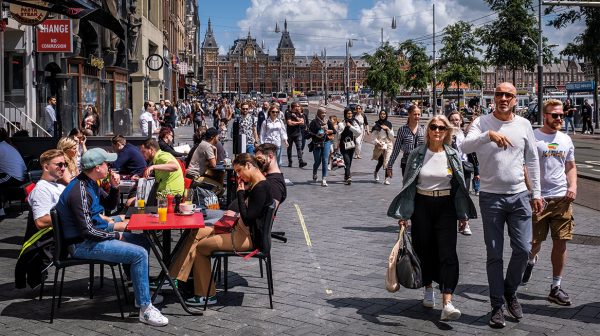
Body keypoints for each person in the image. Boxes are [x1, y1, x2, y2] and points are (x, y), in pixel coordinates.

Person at [461, 82, 543, 329]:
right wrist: (488, 136)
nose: (503, 98)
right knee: (494, 254)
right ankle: (497, 306)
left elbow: (532, 159)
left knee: (523, 248)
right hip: (490, 197)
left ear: (516, 100)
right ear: (493, 97)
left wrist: (536, 192)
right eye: (499, 94)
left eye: (509, 94)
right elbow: (464, 146)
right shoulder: (482, 123)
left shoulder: (524, 125)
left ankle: (510, 291)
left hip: (519, 196)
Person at [55, 148, 168, 326]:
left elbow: (108, 204)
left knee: (143, 241)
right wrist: (116, 234)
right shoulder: (79, 190)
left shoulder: (90, 182)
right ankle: (145, 310)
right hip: (82, 244)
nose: (110, 166)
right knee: (139, 253)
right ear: (97, 167)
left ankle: (140, 295)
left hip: (92, 235)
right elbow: (88, 231)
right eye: (107, 163)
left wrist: (115, 187)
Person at [388, 115, 476, 321]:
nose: (437, 131)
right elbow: (408, 185)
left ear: (447, 132)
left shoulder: (453, 155)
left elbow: (460, 187)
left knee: (448, 253)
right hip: (422, 205)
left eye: (442, 128)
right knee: (424, 249)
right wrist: (404, 214)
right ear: (428, 130)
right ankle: (428, 289)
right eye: (434, 127)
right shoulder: (417, 154)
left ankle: (447, 301)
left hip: (445, 206)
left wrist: (463, 214)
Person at [168, 153, 272, 306]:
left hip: (245, 238)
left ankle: (206, 294)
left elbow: (248, 218)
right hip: (239, 231)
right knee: (197, 231)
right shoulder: (256, 185)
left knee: (202, 248)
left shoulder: (261, 188)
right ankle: (175, 276)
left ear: (249, 166)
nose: (239, 175)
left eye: (239, 171)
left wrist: (241, 193)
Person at [521, 99, 577, 306]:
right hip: (539, 200)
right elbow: (525, 167)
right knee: (534, 243)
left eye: (561, 115)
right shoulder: (534, 138)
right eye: (555, 115)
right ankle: (531, 259)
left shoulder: (566, 139)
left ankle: (556, 287)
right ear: (545, 116)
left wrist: (573, 187)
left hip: (562, 198)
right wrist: (534, 193)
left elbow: (570, 166)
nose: (559, 118)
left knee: (561, 242)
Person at [447, 111, 473, 236]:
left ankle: (465, 223)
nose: (455, 122)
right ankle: (453, 221)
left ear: (461, 121)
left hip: (465, 168)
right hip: (452, 169)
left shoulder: (466, 134)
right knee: (452, 195)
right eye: (452, 120)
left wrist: (477, 172)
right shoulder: (447, 135)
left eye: (457, 119)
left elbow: (472, 154)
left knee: (465, 195)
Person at [387, 105, 425, 179]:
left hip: (421, 164)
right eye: (414, 114)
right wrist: (390, 165)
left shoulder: (424, 129)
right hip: (407, 164)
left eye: (418, 114)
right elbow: (396, 149)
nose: (417, 116)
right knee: (407, 187)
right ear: (409, 114)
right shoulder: (402, 130)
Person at [186, 128, 224, 194]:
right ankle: (207, 202)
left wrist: (215, 150)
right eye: (217, 136)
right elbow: (213, 164)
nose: (219, 138)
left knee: (218, 175)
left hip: (191, 174)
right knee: (219, 187)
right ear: (213, 137)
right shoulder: (207, 147)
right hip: (195, 177)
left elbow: (213, 162)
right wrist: (215, 151)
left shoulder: (203, 143)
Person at [0, 130, 27, 217]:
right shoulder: (6, 145)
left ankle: (1, 210)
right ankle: (5, 204)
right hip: (20, 175)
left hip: (15, 177)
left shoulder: (1, 147)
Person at [308, 107, 336, 186]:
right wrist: (316, 134)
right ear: (318, 113)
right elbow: (309, 132)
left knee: (325, 160)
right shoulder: (314, 122)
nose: (324, 114)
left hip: (326, 142)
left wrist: (329, 131)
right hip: (317, 143)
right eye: (322, 113)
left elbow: (334, 131)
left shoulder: (327, 121)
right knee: (317, 161)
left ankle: (324, 179)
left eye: (325, 112)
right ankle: (315, 172)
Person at [338, 108, 361, 185]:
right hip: (343, 145)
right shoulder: (341, 123)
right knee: (347, 161)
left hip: (352, 145)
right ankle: (348, 177)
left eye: (351, 113)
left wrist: (350, 126)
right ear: (345, 114)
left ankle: (346, 175)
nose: (350, 115)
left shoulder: (354, 122)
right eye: (348, 113)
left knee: (349, 162)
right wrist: (335, 146)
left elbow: (358, 133)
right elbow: (338, 136)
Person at [371, 110, 394, 185]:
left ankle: (386, 179)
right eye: (381, 114)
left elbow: (392, 136)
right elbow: (373, 137)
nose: (383, 115)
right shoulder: (376, 124)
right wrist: (378, 142)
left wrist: (387, 129)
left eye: (384, 114)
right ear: (379, 115)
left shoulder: (389, 124)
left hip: (388, 144)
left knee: (387, 161)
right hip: (380, 144)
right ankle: (376, 172)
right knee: (381, 161)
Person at [285, 102, 308, 168]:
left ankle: (300, 161)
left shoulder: (298, 113)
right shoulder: (288, 113)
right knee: (289, 148)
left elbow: (303, 123)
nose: (299, 107)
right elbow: (289, 123)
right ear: (294, 107)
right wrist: (299, 122)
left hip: (298, 133)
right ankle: (290, 161)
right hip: (290, 134)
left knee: (299, 148)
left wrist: (296, 118)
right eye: (297, 106)